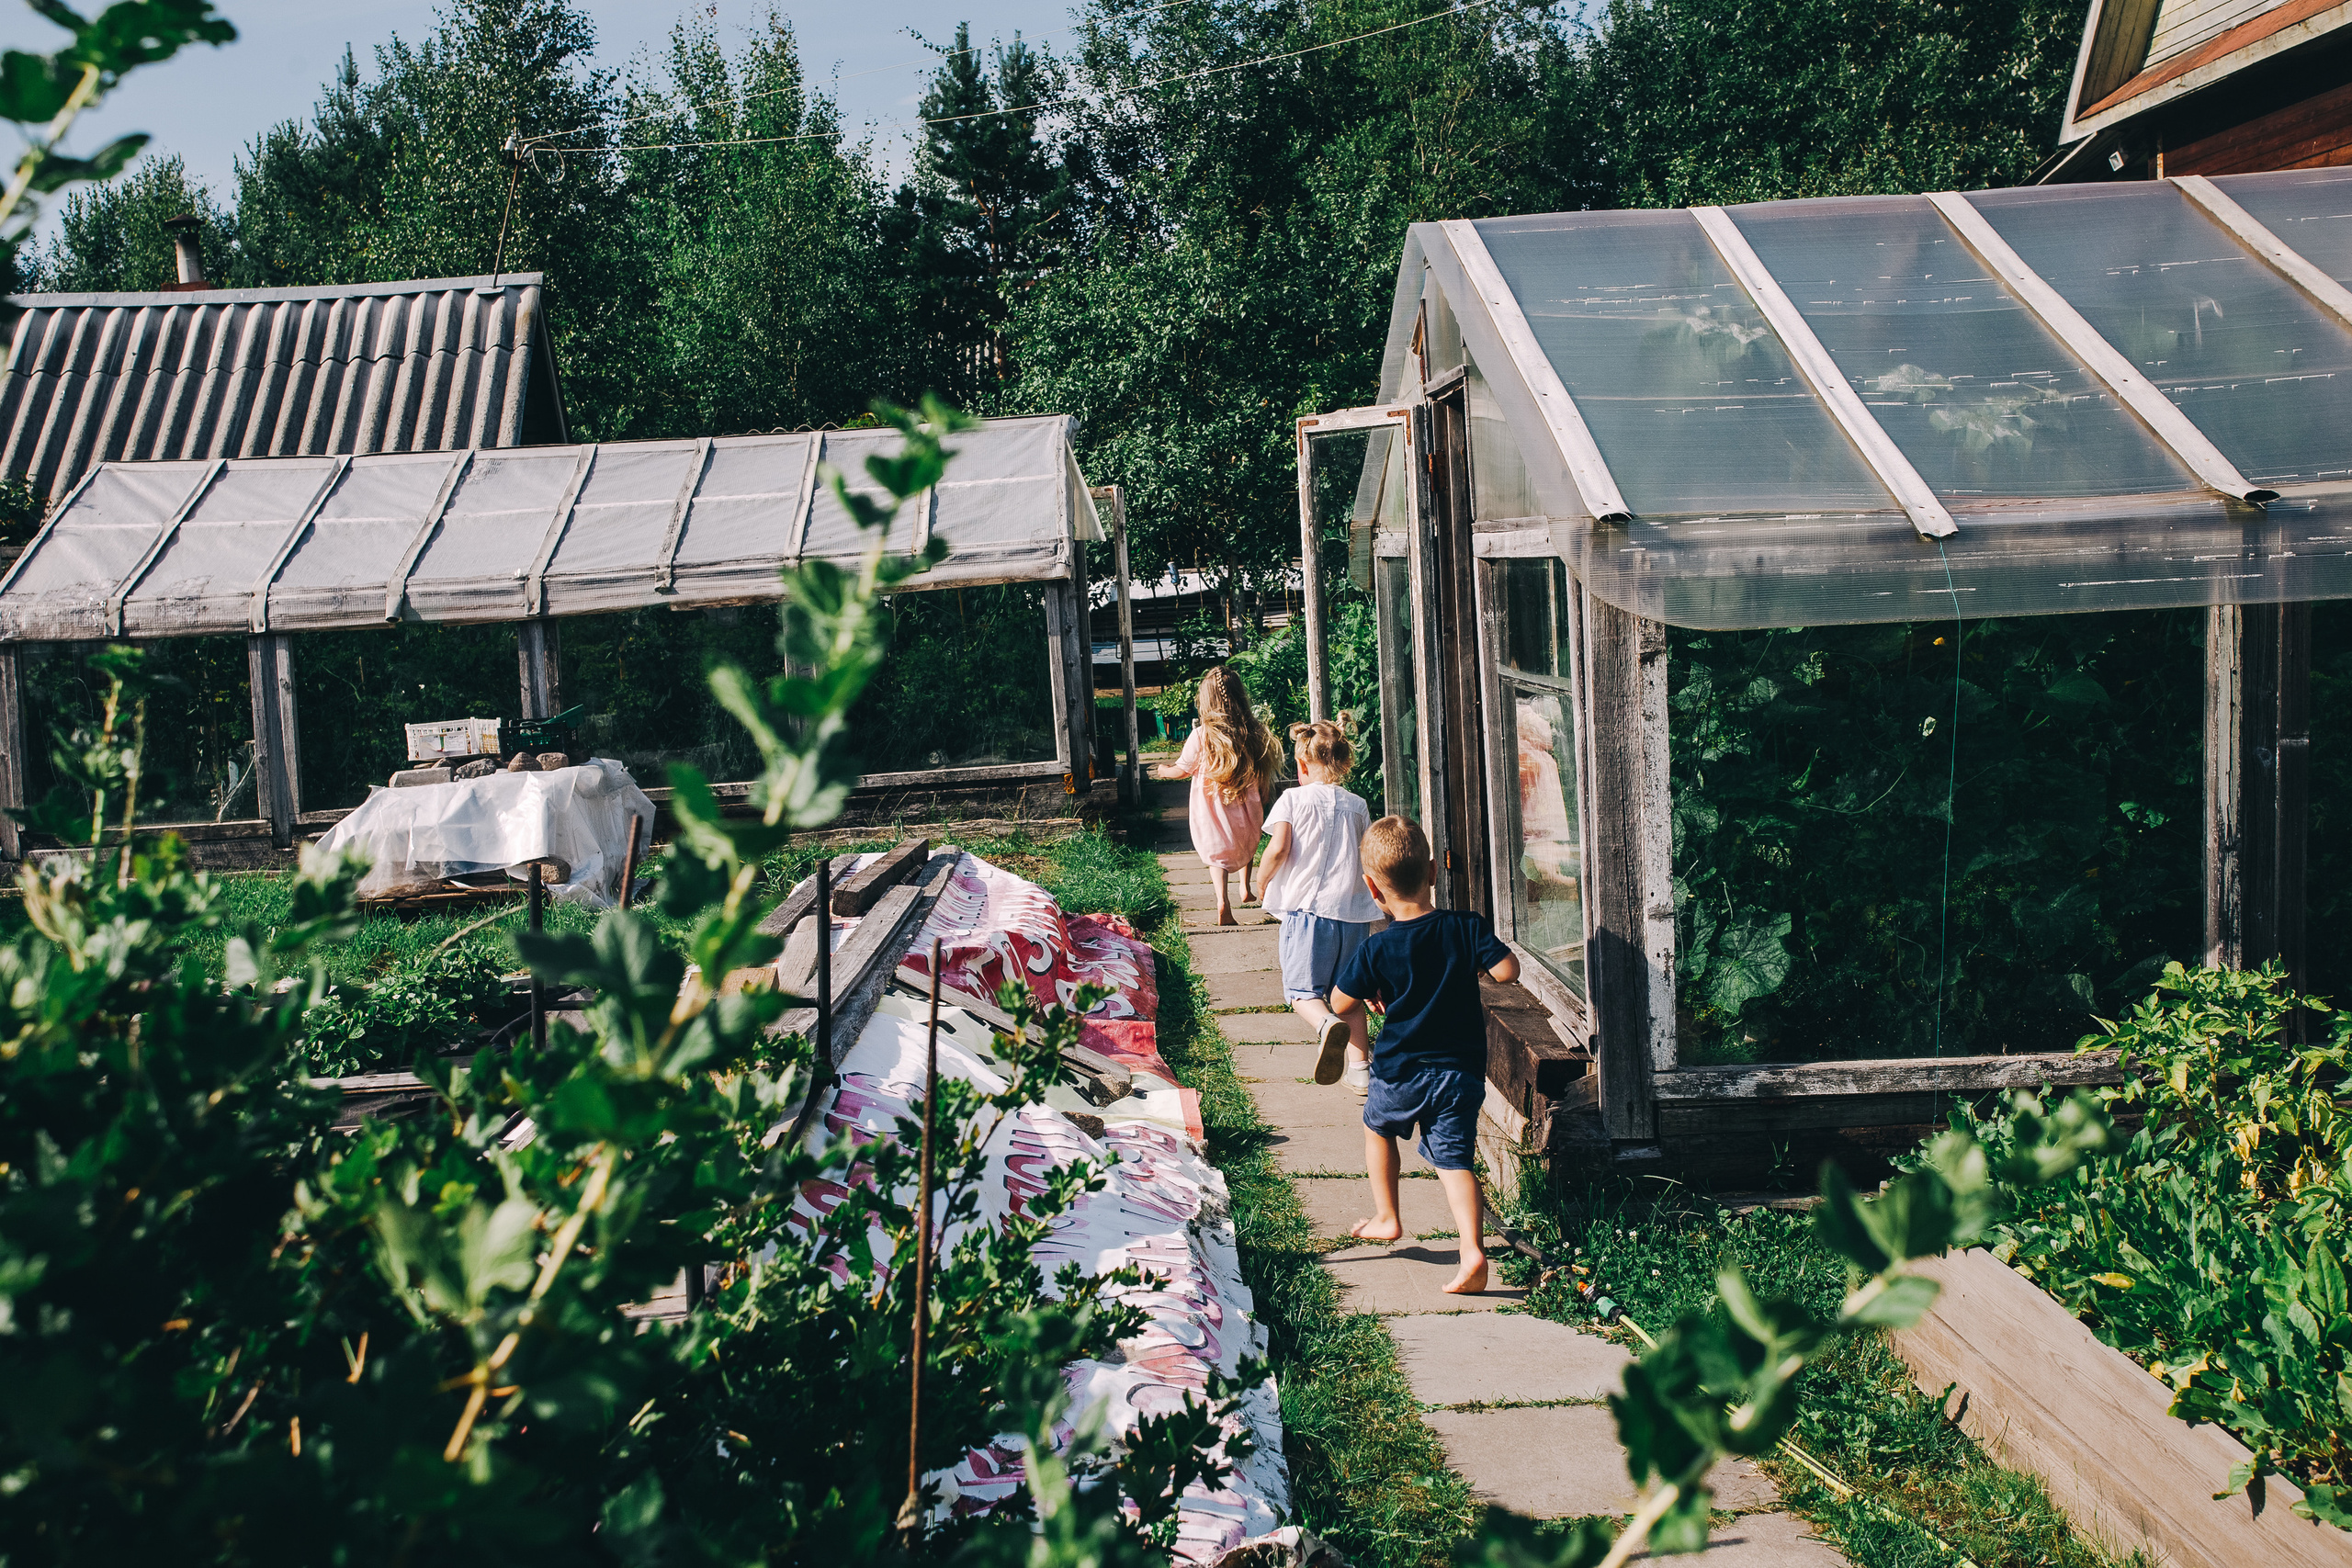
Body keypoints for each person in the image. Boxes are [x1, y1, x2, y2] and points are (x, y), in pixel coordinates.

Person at [1329, 816, 1519, 1296]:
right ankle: (1472, 1251)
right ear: (1433, 872)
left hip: (1400, 1071)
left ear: (1372, 889)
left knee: (1377, 1128)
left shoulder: (1378, 948)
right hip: (1461, 1072)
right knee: (1455, 1160)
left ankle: (1388, 1216)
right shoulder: (1465, 928)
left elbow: (1338, 1003)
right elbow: (1508, 972)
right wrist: (1471, 968)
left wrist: (1374, 988)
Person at [1256, 720, 1382, 1091]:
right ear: (1343, 762)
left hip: (1308, 913)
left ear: (1302, 764)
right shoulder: (1358, 806)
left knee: (1302, 992)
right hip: (1353, 917)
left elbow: (1278, 849)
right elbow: (1366, 856)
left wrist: (1262, 882)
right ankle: (1361, 1071)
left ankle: (1326, 1025)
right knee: (1349, 994)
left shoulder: (1292, 799)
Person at [1153, 666, 1281, 924]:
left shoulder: (1202, 735)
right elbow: (1263, 767)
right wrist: (1265, 791)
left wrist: (1164, 771)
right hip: (1247, 805)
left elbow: (1183, 770)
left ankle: (1223, 902)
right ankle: (1245, 887)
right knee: (1247, 842)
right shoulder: (1252, 731)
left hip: (1214, 809)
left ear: (1207, 700)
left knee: (1218, 855)